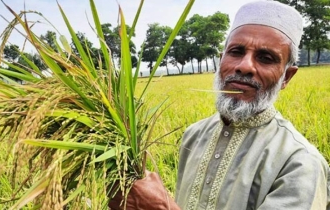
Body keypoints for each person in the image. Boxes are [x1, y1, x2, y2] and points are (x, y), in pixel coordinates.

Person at [109, 1, 330, 209]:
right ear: (221, 59)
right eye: (236, 52)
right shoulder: (193, 135)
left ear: (286, 77)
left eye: (265, 58)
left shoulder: (301, 164)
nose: (245, 66)